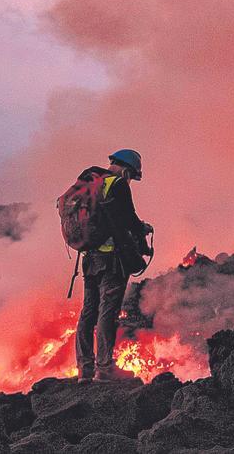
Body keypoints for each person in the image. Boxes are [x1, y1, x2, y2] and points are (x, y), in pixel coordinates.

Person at [75, 149, 154, 382]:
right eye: (131, 176)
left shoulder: (89, 182)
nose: (130, 180)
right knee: (107, 312)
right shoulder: (118, 184)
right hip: (111, 261)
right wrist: (143, 229)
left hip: (89, 259)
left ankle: (84, 369)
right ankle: (105, 369)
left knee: (88, 312)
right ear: (127, 170)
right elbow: (128, 220)